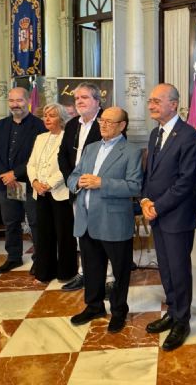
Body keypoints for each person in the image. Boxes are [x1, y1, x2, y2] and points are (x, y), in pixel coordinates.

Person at [68, 106, 142, 334]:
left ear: (122, 125)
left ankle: (119, 311)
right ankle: (94, 306)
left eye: (110, 122)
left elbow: (135, 186)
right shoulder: (90, 149)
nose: (104, 125)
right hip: (87, 219)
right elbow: (73, 176)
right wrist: (78, 183)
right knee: (91, 268)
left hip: (114, 221)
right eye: (102, 121)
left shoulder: (131, 151)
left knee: (120, 271)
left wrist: (102, 183)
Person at [141, 84, 196, 351]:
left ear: (174, 104)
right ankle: (173, 311)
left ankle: (182, 321)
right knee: (165, 268)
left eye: (156, 101)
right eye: (150, 101)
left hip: (176, 216)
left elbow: (186, 181)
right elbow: (149, 175)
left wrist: (158, 206)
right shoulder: (155, 134)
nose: (151, 105)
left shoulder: (188, 136)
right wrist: (144, 200)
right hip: (157, 214)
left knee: (178, 269)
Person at [0, 87, 46, 274]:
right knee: (11, 222)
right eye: (12, 101)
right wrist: (5, 174)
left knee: (36, 223)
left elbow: (38, 157)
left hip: (30, 183)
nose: (15, 105)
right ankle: (13, 258)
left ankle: (40, 258)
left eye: (19, 100)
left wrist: (15, 173)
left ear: (28, 100)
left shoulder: (39, 126)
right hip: (7, 184)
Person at [57, 82, 104, 292]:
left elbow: (112, 157)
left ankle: (109, 278)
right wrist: (72, 180)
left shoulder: (107, 121)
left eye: (84, 98)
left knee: (103, 237)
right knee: (81, 235)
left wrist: (89, 181)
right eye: (77, 99)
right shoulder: (73, 124)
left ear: (97, 100)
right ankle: (85, 274)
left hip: (99, 190)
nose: (79, 102)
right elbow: (63, 155)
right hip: (76, 189)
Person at [27, 103, 77, 283]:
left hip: (60, 193)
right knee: (44, 234)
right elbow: (31, 164)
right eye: (45, 115)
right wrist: (35, 183)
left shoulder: (68, 137)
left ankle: (66, 272)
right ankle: (45, 272)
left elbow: (68, 166)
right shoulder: (40, 138)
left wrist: (48, 184)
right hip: (40, 193)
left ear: (61, 118)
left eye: (52, 116)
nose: (47, 119)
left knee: (64, 235)